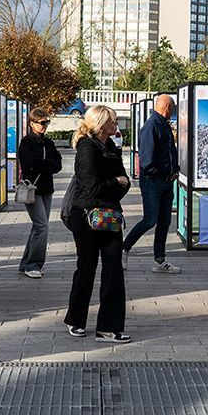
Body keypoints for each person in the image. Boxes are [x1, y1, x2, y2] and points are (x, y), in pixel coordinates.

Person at [63, 105, 132, 343]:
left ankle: (109, 327)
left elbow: (127, 181)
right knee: (87, 267)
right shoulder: (86, 148)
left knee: (114, 270)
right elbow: (95, 188)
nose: (116, 125)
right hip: (85, 216)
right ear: (102, 125)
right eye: (113, 122)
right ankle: (76, 319)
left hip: (110, 215)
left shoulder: (110, 146)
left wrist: (117, 185)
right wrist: (116, 182)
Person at [121, 94, 181, 274]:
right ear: (168, 107)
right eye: (173, 108)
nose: (174, 112)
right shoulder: (151, 126)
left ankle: (160, 260)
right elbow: (146, 161)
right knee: (150, 220)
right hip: (153, 182)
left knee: (165, 221)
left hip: (166, 181)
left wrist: (174, 169)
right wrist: (162, 173)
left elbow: (169, 152)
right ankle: (124, 248)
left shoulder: (164, 125)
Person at [17, 108, 62, 279]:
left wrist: (46, 164)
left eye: (47, 123)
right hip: (32, 189)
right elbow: (32, 163)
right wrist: (47, 164)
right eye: (42, 123)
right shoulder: (26, 142)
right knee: (42, 226)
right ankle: (33, 264)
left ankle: (25, 263)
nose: (45, 126)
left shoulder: (48, 143)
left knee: (38, 226)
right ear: (32, 124)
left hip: (46, 189)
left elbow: (57, 164)